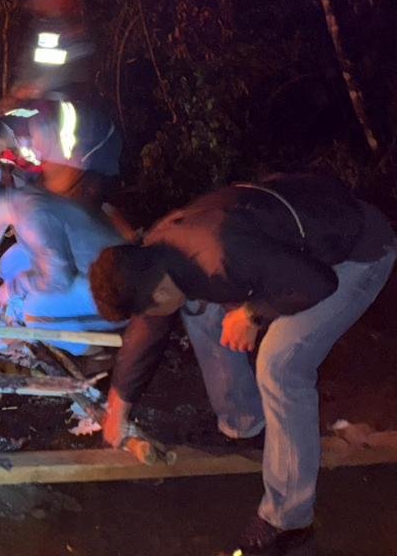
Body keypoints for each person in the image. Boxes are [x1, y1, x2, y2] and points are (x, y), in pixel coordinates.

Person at [89, 174, 396, 555]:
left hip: (355, 256)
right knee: (201, 310)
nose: (148, 317)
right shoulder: (155, 255)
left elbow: (318, 283)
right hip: (292, 252)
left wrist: (253, 313)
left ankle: (287, 520)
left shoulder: (221, 253)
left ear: (158, 291)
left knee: (281, 365)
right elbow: (147, 331)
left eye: (146, 308)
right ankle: (244, 422)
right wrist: (118, 408)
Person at [0, 175, 125, 353]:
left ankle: (95, 354)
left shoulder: (32, 217)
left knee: (35, 312)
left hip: (115, 287)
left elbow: (58, 281)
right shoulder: (22, 198)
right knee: (12, 258)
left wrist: (13, 287)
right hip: (95, 264)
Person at [0, 104, 122, 212]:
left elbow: (62, 181)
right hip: (63, 157)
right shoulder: (3, 137)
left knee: (72, 205)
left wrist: (30, 205)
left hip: (99, 144)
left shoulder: (37, 131)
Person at [0, 0, 95, 110]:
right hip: (40, 107)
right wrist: (15, 94)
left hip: (63, 107)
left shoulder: (68, 26)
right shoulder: (40, 27)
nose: (29, 5)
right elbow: (30, 64)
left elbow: (71, 65)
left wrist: (35, 88)